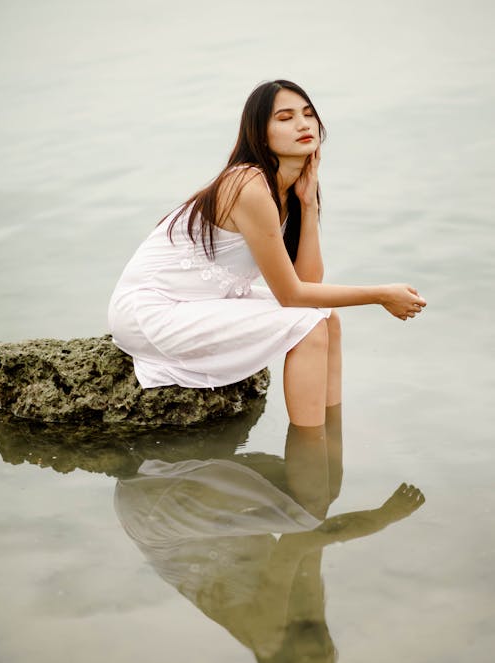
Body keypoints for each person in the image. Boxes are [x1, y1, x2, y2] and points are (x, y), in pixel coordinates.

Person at [108, 79, 426, 427]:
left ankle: (331, 434)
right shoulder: (247, 184)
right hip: (152, 312)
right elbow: (292, 296)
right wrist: (380, 294)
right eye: (285, 117)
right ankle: (309, 455)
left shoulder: (290, 191)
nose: (303, 124)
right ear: (260, 133)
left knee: (327, 316)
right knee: (307, 327)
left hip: (197, 303)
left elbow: (307, 284)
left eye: (308, 114)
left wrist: (307, 203)